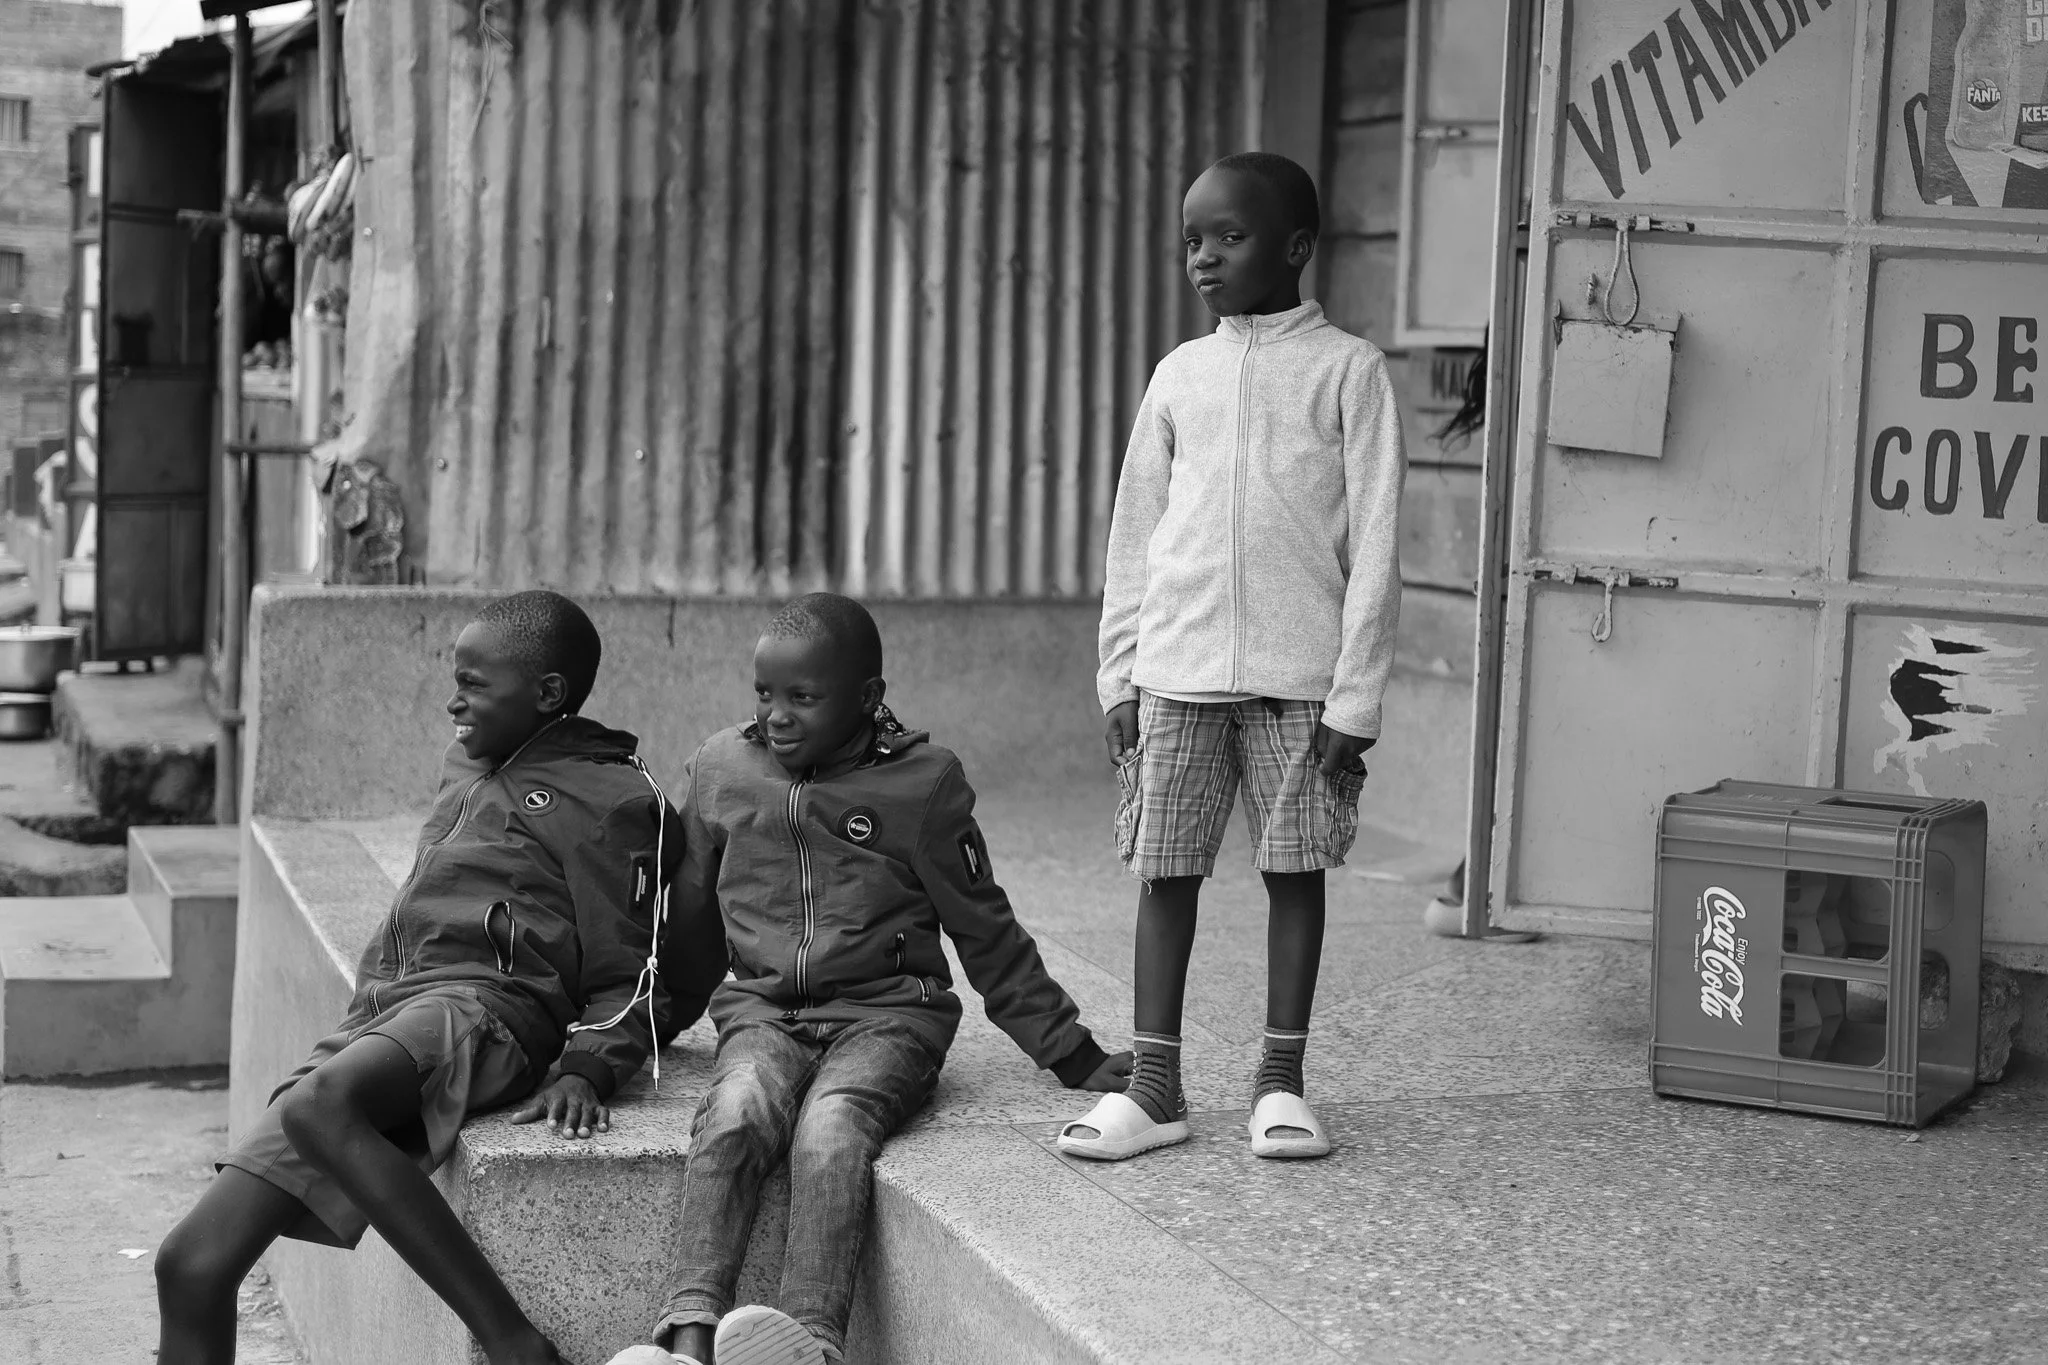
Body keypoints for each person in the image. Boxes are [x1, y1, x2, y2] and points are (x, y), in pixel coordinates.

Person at [154, 590, 724, 1365]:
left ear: (547, 694)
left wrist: (588, 1066)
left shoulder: (608, 799)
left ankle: (518, 1346)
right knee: (190, 1263)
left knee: (322, 1106)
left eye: (475, 683)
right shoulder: (470, 760)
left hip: (490, 1009)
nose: (453, 700)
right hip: (390, 1014)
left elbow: (633, 967)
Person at [618, 593, 1130, 1365]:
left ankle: (810, 1340)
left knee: (830, 1127)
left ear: (867, 699)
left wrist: (1071, 1051)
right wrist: (642, 1029)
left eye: (803, 697)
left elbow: (983, 925)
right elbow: (690, 920)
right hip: (764, 1012)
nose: (777, 715)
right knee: (734, 1110)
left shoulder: (922, 784)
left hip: (890, 1016)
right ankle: (687, 1342)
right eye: (765, 693)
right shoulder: (723, 769)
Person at [1058, 151, 1406, 1164]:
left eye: (1228, 237)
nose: (1202, 259)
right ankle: (1154, 1087)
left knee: (1293, 871)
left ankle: (1279, 1083)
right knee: (1163, 874)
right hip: (1175, 676)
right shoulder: (1179, 374)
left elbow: (1378, 540)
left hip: (1300, 688)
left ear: (1295, 247)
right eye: (1190, 240)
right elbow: (1135, 529)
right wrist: (1118, 670)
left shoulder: (1348, 371)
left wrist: (1356, 698)